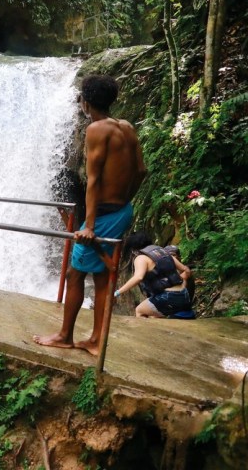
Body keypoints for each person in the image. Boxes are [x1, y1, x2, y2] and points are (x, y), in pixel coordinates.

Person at [34, 74, 147, 356]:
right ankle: (96, 340)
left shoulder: (96, 130)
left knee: (74, 274)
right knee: (100, 277)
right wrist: (125, 202)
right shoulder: (127, 128)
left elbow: (94, 180)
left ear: (85, 102)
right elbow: (142, 171)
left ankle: (65, 336)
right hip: (121, 210)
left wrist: (90, 225)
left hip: (103, 216)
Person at [114, 232, 194, 319]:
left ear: (132, 248)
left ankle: (144, 332)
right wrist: (177, 280)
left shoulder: (141, 258)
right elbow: (186, 270)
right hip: (184, 295)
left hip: (168, 297)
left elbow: (138, 277)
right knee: (154, 313)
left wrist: (118, 292)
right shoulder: (163, 251)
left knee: (139, 310)